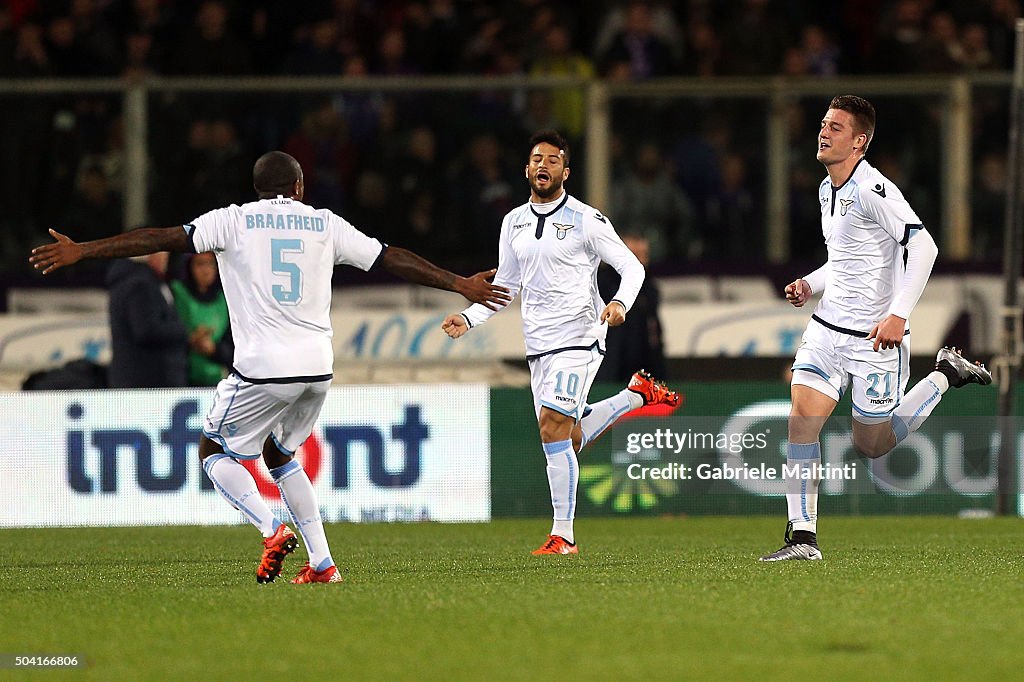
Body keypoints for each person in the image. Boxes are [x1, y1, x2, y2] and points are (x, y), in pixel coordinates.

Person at [31, 151, 510, 584]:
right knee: (280, 456)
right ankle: (323, 564)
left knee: (213, 449)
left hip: (263, 368)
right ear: (300, 187)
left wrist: (84, 250)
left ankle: (270, 528)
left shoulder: (233, 221)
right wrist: (457, 283)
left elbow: (159, 237)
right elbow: (391, 258)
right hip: (318, 368)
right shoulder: (325, 223)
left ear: (256, 188)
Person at [760, 95, 992, 562]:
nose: (823, 132)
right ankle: (803, 539)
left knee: (873, 445)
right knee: (801, 422)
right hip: (827, 330)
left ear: (859, 142)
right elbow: (845, 261)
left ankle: (945, 375)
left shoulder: (873, 190)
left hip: (875, 339)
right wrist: (811, 283)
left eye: (836, 128)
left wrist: (898, 315)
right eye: (824, 124)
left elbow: (924, 247)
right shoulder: (828, 189)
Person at [441, 130, 680, 556]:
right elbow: (506, 286)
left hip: (580, 338)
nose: (543, 165)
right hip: (539, 347)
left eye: (553, 160)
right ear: (526, 169)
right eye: (537, 159)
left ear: (565, 172)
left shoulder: (587, 219)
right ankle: (635, 396)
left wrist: (620, 303)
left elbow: (632, 267)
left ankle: (563, 536)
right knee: (565, 439)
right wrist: (469, 316)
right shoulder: (512, 222)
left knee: (552, 428)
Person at [106, 251, 188, 389]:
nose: (165, 259)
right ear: (150, 255)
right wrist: (182, 330)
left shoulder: (130, 280)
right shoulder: (141, 284)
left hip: (134, 380)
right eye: (162, 254)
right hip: (146, 381)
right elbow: (146, 330)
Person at [596, 232, 666, 382]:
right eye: (634, 255)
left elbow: (654, 331)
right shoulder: (599, 285)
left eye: (643, 255)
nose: (639, 262)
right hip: (608, 371)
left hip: (643, 370)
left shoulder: (650, 289)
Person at [170, 251, 233, 387]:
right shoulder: (177, 293)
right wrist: (191, 340)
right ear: (189, 267)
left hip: (217, 380)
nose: (206, 270)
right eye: (200, 264)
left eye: (210, 264)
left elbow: (234, 345)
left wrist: (214, 350)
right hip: (182, 378)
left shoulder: (226, 299)